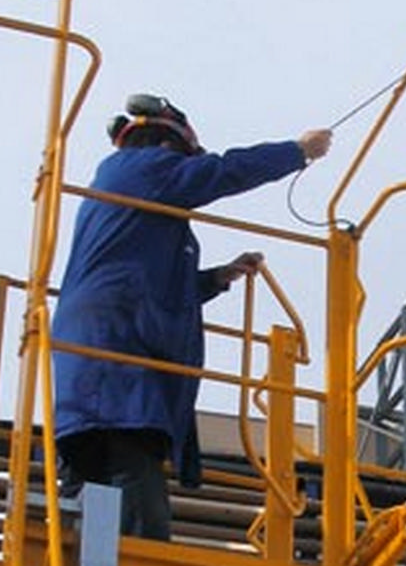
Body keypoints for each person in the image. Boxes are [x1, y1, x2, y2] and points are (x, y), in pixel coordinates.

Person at [52, 93, 332, 539]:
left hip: (98, 349)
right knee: (135, 491)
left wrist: (216, 278)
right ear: (167, 145)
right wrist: (297, 151)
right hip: (118, 356)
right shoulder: (143, 169)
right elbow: (223, 172)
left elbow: (147, 284)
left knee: (96, 480)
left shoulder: (134, 200)